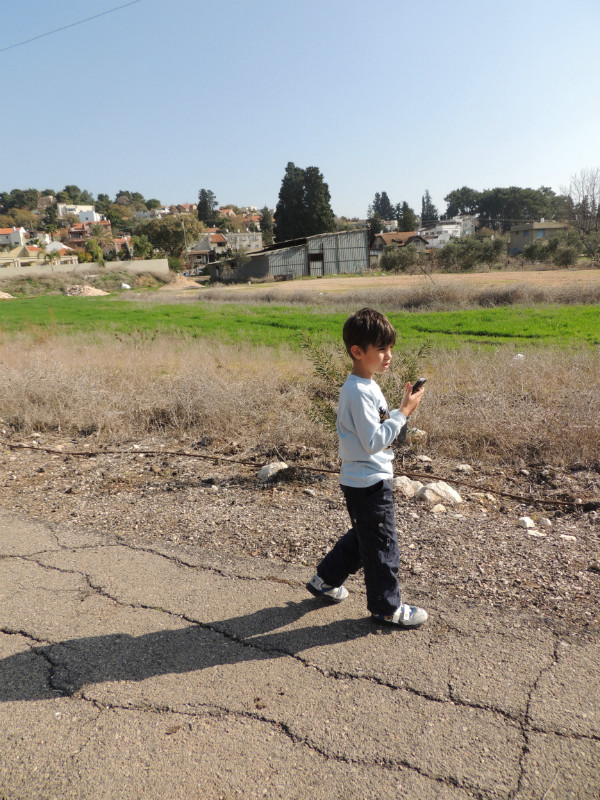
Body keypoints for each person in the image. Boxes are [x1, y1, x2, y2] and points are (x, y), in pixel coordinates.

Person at [306, 307, 428, 628]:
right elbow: (374, 441)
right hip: (367, 482)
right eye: (382, 349)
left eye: (390, 347)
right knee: (382, 544)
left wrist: (402, 412)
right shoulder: (358, 392)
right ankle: (387, 608)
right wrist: (403, 412)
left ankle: (325, 580)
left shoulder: (369, 385)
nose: (389, 355)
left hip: (365, 478)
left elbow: (383, 433)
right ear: (357, 352)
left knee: (365, 538)